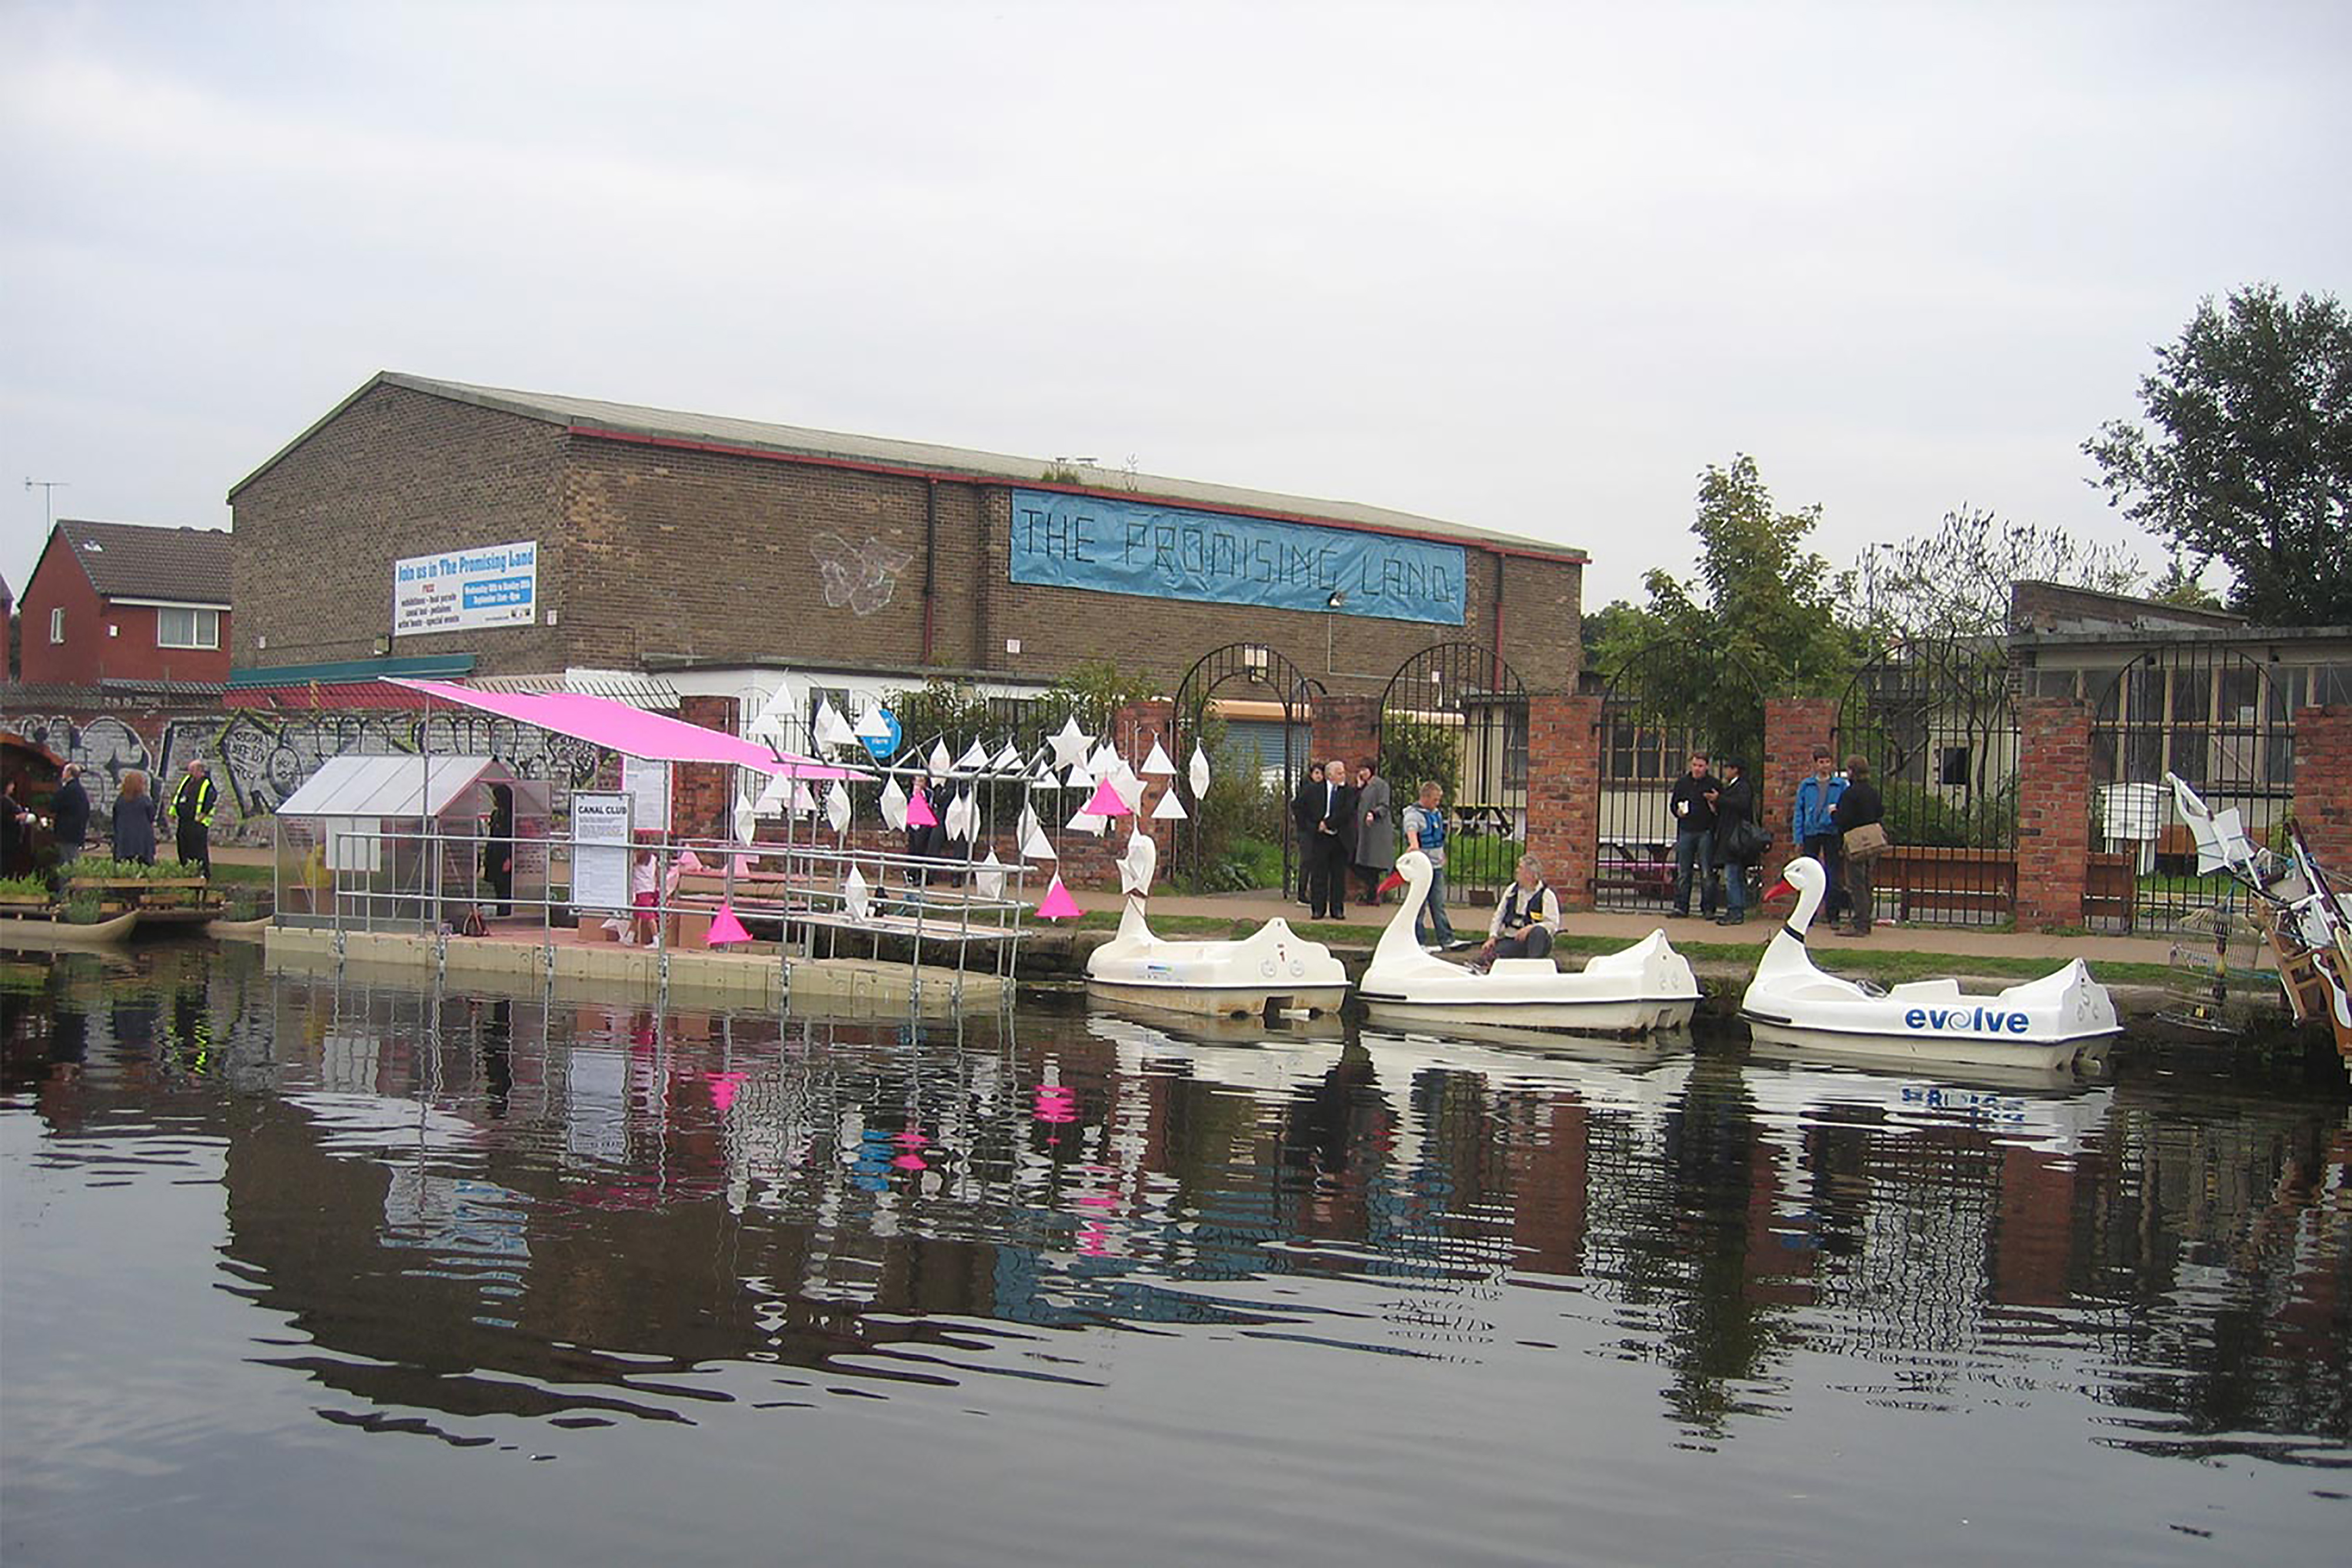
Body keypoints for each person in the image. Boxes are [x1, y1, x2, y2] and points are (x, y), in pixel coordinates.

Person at [1290, 756, 1357, 920]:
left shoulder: (1348, 792)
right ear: (1330, 775)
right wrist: (1312, 827)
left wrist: (1327, 823)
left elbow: (1347, 811)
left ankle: (1337, 909)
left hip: (1339, 837)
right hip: (1319, 838)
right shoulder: (1314, 790)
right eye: (1340, 773)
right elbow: (1298, 806)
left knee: (1338, 876)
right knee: (1319, 874)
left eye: (1343, 773)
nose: (1343, 776)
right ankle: (1318, 909)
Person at [1469, 855, 1559, 972]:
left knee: (1538, 932)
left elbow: (1553, 924)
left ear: (1530, 874)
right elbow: (1499, 914)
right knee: (1493, 955)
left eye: (1520, 868)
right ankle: (1483, 966)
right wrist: (1493, 936)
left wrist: (1530, 928)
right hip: (1514, 939)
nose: (1517, 871)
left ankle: (1533, 967)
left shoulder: (1546, 895)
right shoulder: (1512, 890)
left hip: (1536, 941)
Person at [1790, 745, 1847, 925]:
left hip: (1831, 832)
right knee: (1808, 875)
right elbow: (1799, 811)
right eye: (1821, 762)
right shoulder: (1807, 785)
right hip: (1811, 831)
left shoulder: (1840, 785)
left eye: (1827, 762)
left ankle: (1833, 914)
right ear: (1815, 764)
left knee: (1832, 873)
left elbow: (1844, 809)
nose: (1824, 766)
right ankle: (1808, 915)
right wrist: (1798, 836)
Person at [1829, 754, 1886, 937]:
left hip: (1855, 840)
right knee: (1868, 882)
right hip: (1873, 840)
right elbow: (1880, 811)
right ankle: (1866, 919)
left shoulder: (1850, 794)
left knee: (1856, 883)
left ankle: (1859, 923)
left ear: (1851, 771)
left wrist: (1834, 813)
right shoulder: (1872, 792)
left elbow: (1843, 820)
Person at [1400, 780, 1458, 949]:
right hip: (1423, 869)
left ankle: (1446, 938)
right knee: (1419, 905)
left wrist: (1442, 854)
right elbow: (1411, 830)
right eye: (1435, 800)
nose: (1437, 803)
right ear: (1425, 797)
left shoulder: (1436, 813)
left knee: (1438, 904)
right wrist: (1414, 844)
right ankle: (1418, 941)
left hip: (1436, 865)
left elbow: (1439, 837)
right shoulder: (1413, 815)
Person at [1668, 751, 1718, 918]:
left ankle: (1708, 908)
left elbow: (1721, 809)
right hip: (1686, 829)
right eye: (1695, 765)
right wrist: (1678, 812)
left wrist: (1714, 804)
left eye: (1701, 766)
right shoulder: (1682, 783)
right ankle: (1681, 907)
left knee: (1706, 872)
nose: (1697, 769)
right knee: (1684, 871)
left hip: (1706, 830)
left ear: (1707, 767)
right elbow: (1674, 804)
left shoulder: (1713, 784)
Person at [1710, 757, 1758, 925]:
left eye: (1728, 768)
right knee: (1735, 875)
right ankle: (1736, 908)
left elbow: (1742, 805)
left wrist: (1719, 799)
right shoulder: (1733, 787)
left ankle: (1735, 910)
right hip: (1730, 836)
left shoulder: (1742, 786)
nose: (1726, 772)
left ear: (1735, 770)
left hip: (1736, 838)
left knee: (1732, 876)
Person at [165, 758, 218, 877]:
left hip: (198, 824)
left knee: (198, 850)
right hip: (184, 821)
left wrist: (202, 815)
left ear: (199, 770)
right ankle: (186, 871)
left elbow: (210, 800)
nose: (189, 773)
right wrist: (173, 812)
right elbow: (179, 797)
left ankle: (202, 874)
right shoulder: (187, 781)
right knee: (183, 847)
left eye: (192, 770)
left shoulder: (206, 784)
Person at [1352, 763, 1394, 905]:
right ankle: (1373, 893)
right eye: (1360, 770)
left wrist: (1374, 813)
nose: (1362, 773)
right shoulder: (1363, 786)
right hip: (1364, 830)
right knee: (1362, 862)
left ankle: (1373, 895)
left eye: (1364, 770)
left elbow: (1384, 805)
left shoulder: (1381, 785)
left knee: (1372, 864)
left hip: (1376, 830)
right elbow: (1355, 802)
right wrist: (1359, 787)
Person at [111, 770, 159, 865]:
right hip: (143, 840)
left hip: (124, 839)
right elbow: (152, 816)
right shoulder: (145, 800)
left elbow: (115, 817)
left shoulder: (120, 800)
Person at [482, 783, 514, 916]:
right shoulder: (496, 814)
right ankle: (501, 910)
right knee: (497, 885)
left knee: (505, 886)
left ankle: (505, 912)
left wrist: (509, 858)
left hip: (504, 853)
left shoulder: (511, 816)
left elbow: (511, 835)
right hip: (494, 853)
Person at [51, 764, 91, 868]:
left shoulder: (68, 790)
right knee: (72, 861)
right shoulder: (81, 791)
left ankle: (67, 885)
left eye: (64, 771)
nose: (62, 774)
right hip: (77, 833)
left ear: (69, 773)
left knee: (66, 864)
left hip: (66, 833)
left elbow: (53, 806)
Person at [1297, 762, 1324, 907]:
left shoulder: (1322, 790)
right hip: (1307, 831)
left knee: (1316, 862)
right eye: (1317, 773)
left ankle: (1314, 892)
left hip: (1317, 831)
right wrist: (1307, 826)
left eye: (1321, 773)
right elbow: (1298, 808)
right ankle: (1301, 894)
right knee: (1306, 862)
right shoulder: (1306, 790)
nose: (1319, 777)